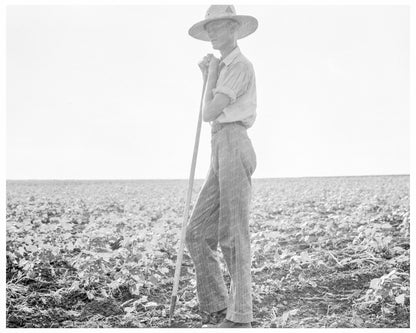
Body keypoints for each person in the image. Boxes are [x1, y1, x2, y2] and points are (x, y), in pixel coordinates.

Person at [185, 5, 258, 328]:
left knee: (233, 234)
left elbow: (210, 112)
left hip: (233, 141)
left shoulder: (239, 65)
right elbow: (211, 114)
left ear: (232, 28)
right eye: (209, 28)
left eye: (217, 27)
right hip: (220, 143)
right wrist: (209, 74)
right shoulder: (224, 66)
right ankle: (216, 307)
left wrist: (211, 75)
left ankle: (240, 317)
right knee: (197, 232)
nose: (212, 34)